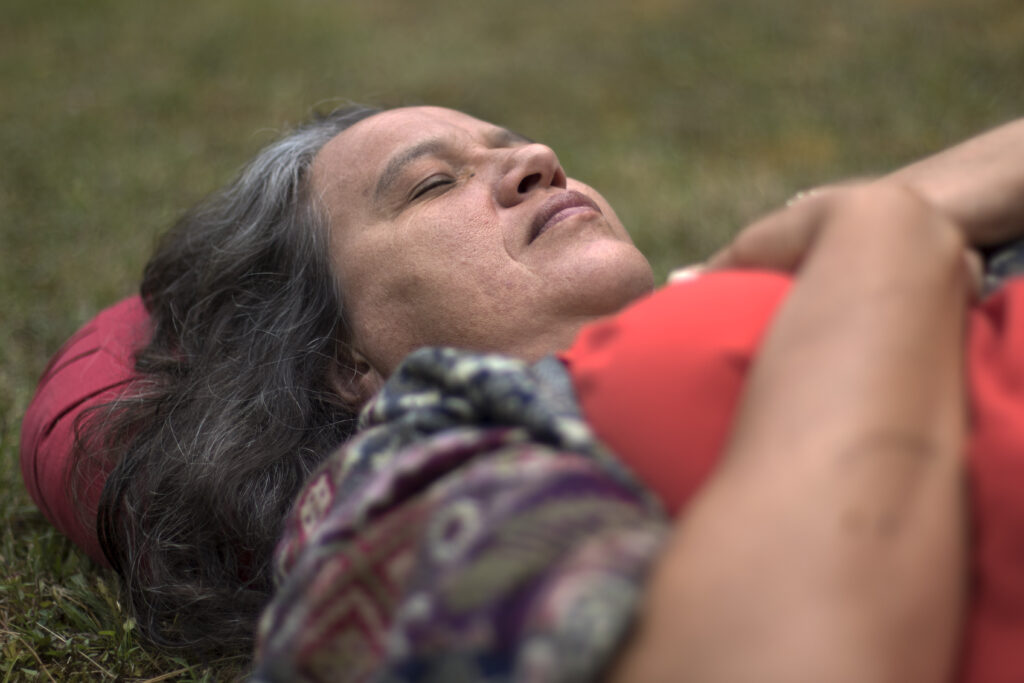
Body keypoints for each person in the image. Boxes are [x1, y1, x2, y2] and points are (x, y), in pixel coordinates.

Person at [16, 105, 1022, 679]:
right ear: (347, 361)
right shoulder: (404, 479)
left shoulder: (780, 275)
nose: (535, 161)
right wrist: (879, 243)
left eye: (514, 147)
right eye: (430, 184)